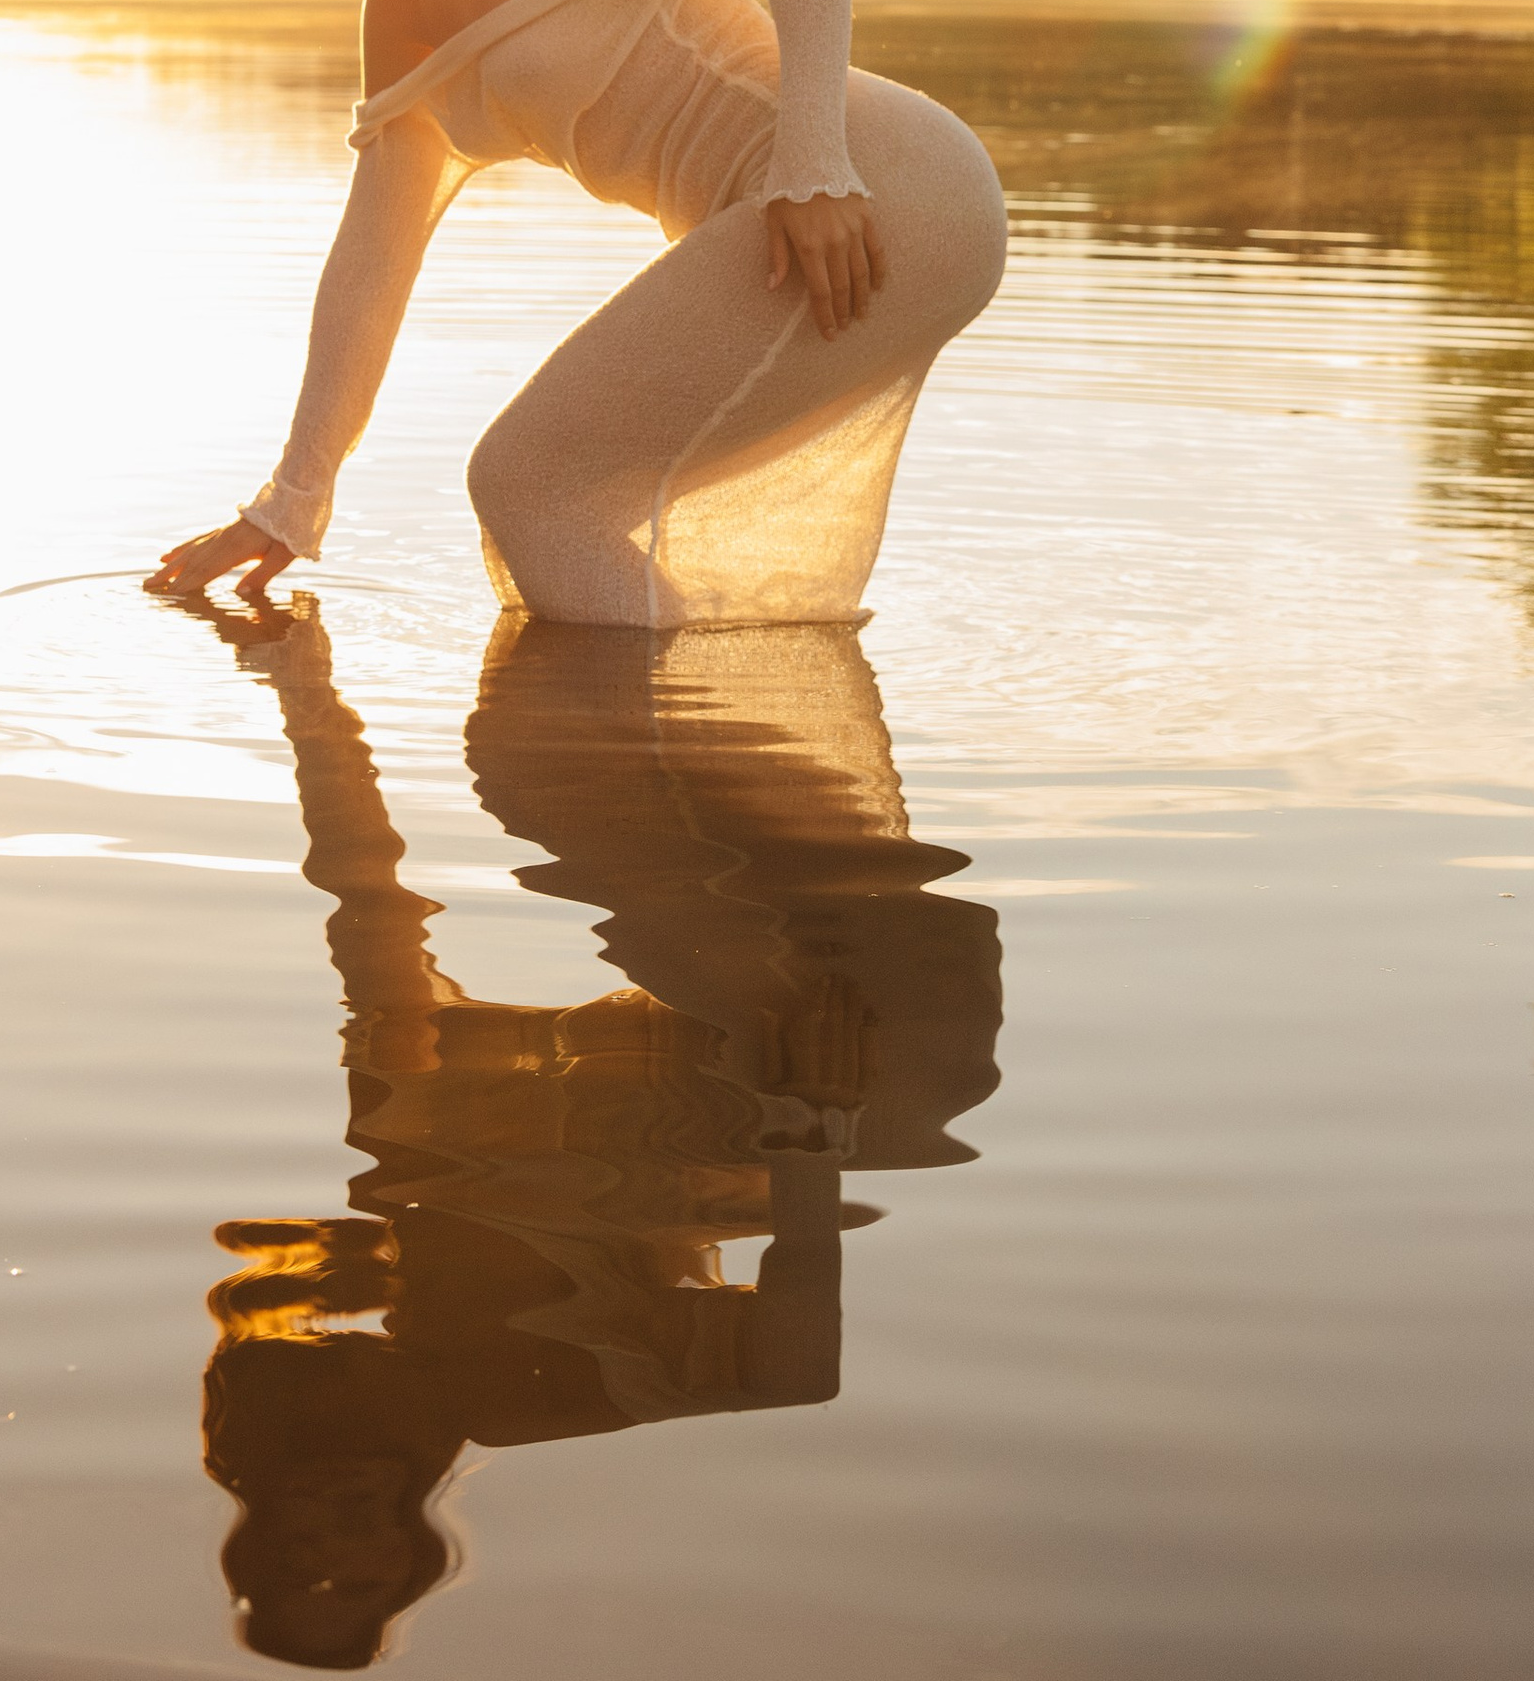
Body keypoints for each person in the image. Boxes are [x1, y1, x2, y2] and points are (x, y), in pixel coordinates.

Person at [150, 0, 1007, 631]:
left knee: (526, 485)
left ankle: (658, 756)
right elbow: (377, 251)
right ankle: (667, 751)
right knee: (547, 500)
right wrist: (294, 497)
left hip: (878, 194)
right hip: (792, 225)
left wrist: (811, 165)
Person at [189, 592, 1003, 1666]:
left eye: (300, 1557)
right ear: (409, 1542)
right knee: (560, 789)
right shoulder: (525, 1396)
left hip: (781, 987)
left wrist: (305, 697)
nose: (334, 1534)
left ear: (267, 1514)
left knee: (550, 763)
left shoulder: (409, 1167)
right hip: (872, 1054)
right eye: (360, 1568)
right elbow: (795, 1374)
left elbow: (364, 893)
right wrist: (811, 1132)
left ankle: (681, 617)